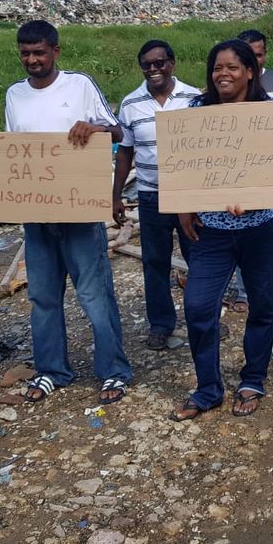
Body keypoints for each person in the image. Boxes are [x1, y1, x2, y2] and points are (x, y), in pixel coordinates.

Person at [1, 20, 132, 404]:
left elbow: (119, 133)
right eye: (25, 53)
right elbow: (10, 151)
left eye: (39, 52)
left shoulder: (79, 86)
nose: (32, 60)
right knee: (42, 297)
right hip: (37, 217)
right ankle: (52, 371)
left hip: (79, 214)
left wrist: (92, 127)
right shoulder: (14, 95)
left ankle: (113, 372)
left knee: (95, 296)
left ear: (55, 51)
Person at [170, 38, 273, 421]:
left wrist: (257, 196)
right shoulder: (195, 112)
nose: (223, 74)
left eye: (232, 67)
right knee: (198, 305)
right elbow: (182, 164)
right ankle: (207, 389)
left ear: (250, 71)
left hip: (262, 226)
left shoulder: (269, 113)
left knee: (263, 303)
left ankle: (253, 379)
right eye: (217, 67)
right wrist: (184, 208)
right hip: (212, 229)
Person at [113, 39, 200, 350]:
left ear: (171, 64)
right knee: (155, 262)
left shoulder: (194, 97)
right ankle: (161, 324)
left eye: (159, 63)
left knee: (199, 258)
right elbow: (124, 152)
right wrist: (116, 196)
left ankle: (201, 320)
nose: (153, 69)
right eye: (146, 64)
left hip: (190, 196)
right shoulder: (130, 103)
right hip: (151, 196)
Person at [223, 28, 273, 315]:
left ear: (264, 54)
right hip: (237, 177)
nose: (253, 60)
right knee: (240, 234)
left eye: (257, 54)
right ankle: (243, 292)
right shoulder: (225, 90)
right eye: (246, 55)